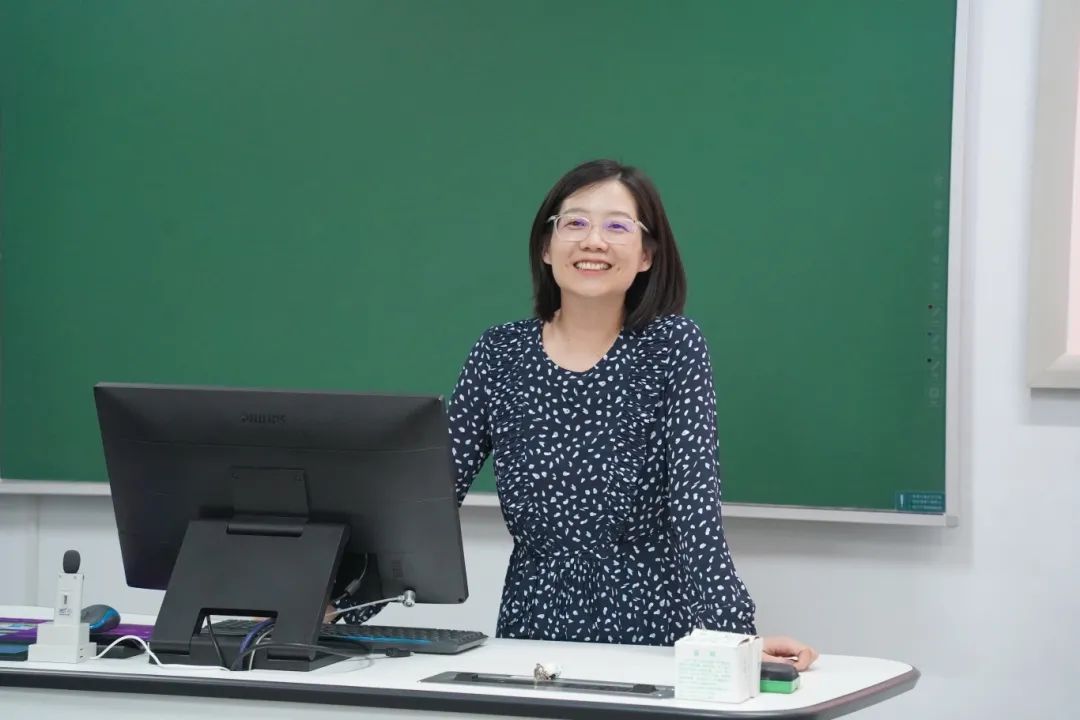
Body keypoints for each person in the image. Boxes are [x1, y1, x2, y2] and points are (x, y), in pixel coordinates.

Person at [344, 159, 817, 670]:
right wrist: (334, 607)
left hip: (653, 632)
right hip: (531, 635)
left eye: (617, 226)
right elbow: (424, 503)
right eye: (575, 222)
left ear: (646, 255)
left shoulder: (672, 346)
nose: (594, 241)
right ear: (546, 248)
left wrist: (737, 640)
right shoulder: (499, 353)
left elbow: (695, 508)